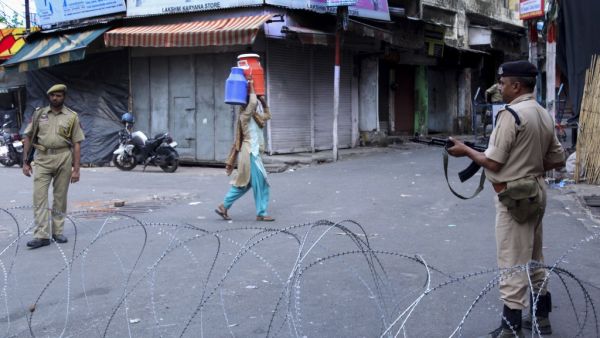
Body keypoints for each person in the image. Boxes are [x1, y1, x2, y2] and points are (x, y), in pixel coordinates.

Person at [447, 61, 565, 338]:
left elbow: (493, 162)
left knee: (512, 261)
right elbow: (557, 157)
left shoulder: (511, 115)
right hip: (536, 193)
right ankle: (541, 318)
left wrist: (465, 150)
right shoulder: (542, 113)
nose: (499, 88)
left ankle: (510, 328)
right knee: (535, 256)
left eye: (502, 83)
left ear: (516, 85)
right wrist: (530, 168)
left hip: (514, 198)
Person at [22, 84, 85, 249]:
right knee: (39, 196)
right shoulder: (39, 114)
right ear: (49, 97)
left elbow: (77, 143)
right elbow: (28, 137)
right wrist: (25, 162)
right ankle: (42, 235)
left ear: (64, 97)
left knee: (60, 197)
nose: (55, 98)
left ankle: (57, 232)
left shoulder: (72, 117)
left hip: (64, 156)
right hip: (42, 158)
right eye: (52, 96)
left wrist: (76, 169)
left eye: (58, 95)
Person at [215, 79, 274, 222]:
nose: (254, 103)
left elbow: (268, 115)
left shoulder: (255, 116)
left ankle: (224, 206)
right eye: (250, 101)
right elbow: (253, 103)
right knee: (261, 183)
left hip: (252, 153)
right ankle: (261, 212)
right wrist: (252, 85)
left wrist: (263, 101)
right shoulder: (244, 116)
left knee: (245, 184)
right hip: (250, 153)